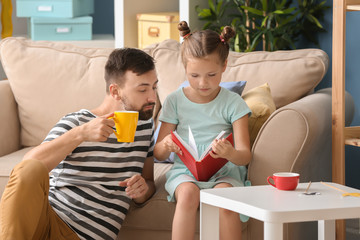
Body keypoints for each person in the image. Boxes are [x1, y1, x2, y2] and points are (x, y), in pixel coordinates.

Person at [0, 48, 158, 240]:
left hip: (83, 237)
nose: (152, 98)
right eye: (143, 89)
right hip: (48, 221)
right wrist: (81, 134)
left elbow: (149, 182)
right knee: (30, 169)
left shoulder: (144, 127)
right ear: (115, 91)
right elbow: (29, 166)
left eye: (154, 87)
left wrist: (142, 191)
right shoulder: (77, 122)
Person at [153, 21, 252, 240]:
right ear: (185, 68)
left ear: (224, 66)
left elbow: (245, 156)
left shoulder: (233, 103)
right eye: (194, 75)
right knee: (188, 195)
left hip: (225, 172)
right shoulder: (175, 100)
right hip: (186, 172)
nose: (202, 83)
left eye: (211, 75)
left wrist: (230, 153)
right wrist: (166, 144)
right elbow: (158, 153)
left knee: (225, 200)